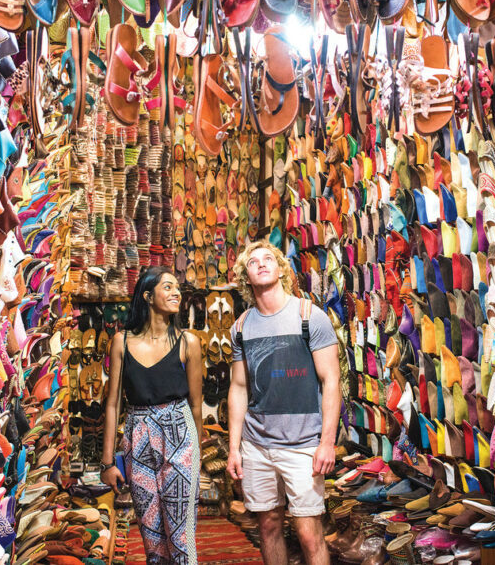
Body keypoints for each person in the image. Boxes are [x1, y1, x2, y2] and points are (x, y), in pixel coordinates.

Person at [226, 241, 342, 565]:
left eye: (268, 259)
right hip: (257, 444)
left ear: (281, 270)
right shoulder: (241, 327)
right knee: (268, 526)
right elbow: (237, 387)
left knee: (308, 531)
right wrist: (234, 448)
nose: (261, 264)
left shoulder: (310, 316)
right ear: (245, 277)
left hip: (303, 444)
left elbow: (331, 381)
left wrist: (327, 443)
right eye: (253, 262)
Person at [101, 266, 204, 565]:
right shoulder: (122, 341)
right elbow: (112, 405)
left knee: (181, 537)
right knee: (152, 538)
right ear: (148, 296)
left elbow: (196, 406)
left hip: (180, 435)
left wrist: (195, 456)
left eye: (177, 288)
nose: (176, 293)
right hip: (137, 436)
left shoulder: (189, 343)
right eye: (168, 287)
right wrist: (107, 463)